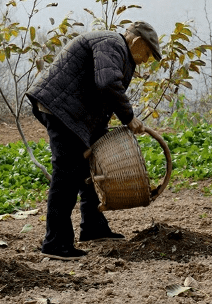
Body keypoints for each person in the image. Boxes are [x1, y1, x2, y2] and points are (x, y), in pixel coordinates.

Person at [25, 21, 162, 260]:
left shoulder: (118, 49)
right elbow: (107, 83)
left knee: (87, 168)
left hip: (73, 112)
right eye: (148, 54)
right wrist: (128, 117)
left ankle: (93, 226)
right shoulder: (112, 43)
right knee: (67, 172)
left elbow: (101, 94)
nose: (147, 60)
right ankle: (55, 243)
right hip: (60, 108)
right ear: (138, 42)